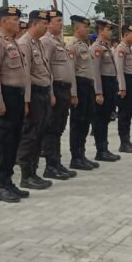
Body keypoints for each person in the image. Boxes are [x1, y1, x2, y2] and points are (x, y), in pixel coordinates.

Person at [0, 5, 29, 203]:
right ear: (4, 21)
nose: (18, 22)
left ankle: (9, 181)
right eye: (14, 19)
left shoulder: (13, 41)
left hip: (17, 97)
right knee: (3, 142)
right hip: (6, 96)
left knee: (14, 140)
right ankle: (1, 185)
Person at [16, 10, 54, 190]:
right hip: (34, 95)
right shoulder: (24, 44)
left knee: (40, 133)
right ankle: (26, 174)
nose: (47, 27)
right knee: (30, 135)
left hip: (44, 92)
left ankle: (34, 171)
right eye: (44, 24)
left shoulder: (37, 43)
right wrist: (27, 100)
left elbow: (45, 71)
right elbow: (25, 75)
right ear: (34, 24)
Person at [40, 10, 78, 180]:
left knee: (59, 128)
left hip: (64, 89)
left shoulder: (58, 41)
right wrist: (51, 92)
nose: (61, 24)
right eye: (57, 20)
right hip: (55, 88)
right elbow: (46, 68)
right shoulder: (47, 42)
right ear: (48, 23)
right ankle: (50, 165)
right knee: (52, 129)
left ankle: (56, 162)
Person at [69, 15, 100, 169]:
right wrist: (73, 94)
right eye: (85, 27)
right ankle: (75, 157)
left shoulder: (84, 45)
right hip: (79, 85)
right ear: (76, 28)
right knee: (78, 122)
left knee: (86, 120)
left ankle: (82, 154)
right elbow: (71, 71)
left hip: (88, 85)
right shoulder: (72, 46)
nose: (88, 29)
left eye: (88, 27)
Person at [90, 20, 121, 162]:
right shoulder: (97, 48)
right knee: (100, 119)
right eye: (108, 30)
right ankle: (101, 150)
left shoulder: (106, 47)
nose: (111, 32)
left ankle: (105, 148)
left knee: (106, 117)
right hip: (103, 84)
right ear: (101, 31)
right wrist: (98, 92)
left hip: (110, 84)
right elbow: (95, 71)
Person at [113, 25, 132, 154]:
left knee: (129, 113)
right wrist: (122, 87)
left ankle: (127, 140)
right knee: (124, 114)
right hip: (125, 83)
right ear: (125, 35)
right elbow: (119, 69)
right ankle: (123, 142)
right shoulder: (121, 48)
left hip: (131, 81)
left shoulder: (128, 49)